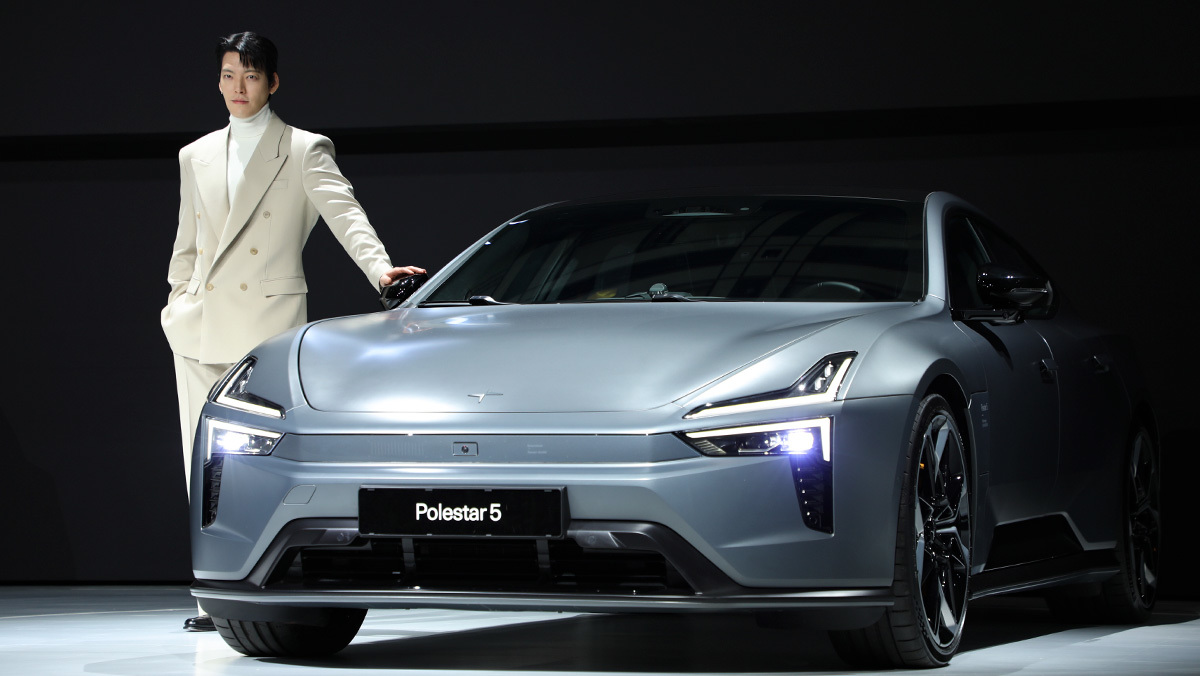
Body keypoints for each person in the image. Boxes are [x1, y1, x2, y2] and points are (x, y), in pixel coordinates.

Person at [161, 32, 424, 632]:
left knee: (255, 464)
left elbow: (344, 213)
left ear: (273, 82)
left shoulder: (303, 148)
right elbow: (187, 244)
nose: (238, 87)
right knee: (199, 463)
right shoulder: (195, 154)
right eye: (228, 75)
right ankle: (211, 597)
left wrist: (380, 270)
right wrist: (176, 303)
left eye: (251, 75)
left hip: (264, 329)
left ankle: (249, 589)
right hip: (197, 329)